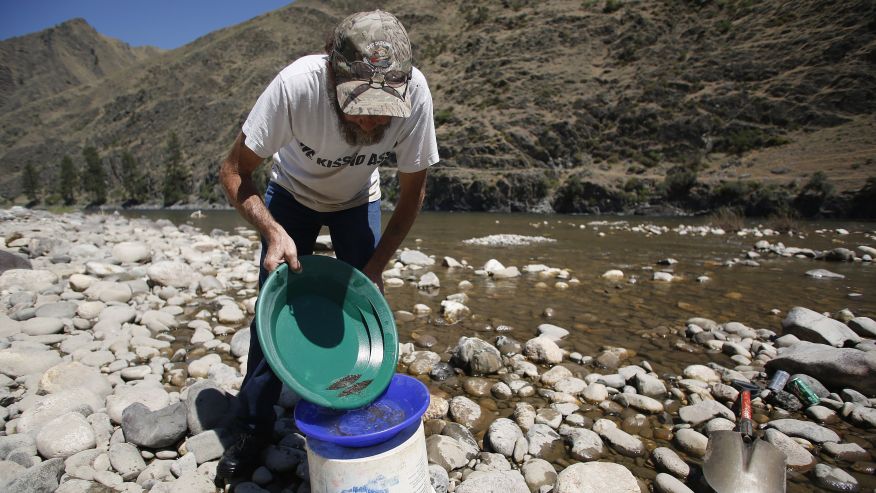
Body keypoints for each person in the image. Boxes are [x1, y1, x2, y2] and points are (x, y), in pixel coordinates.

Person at [216, 10, 438, 481]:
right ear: (331, 72)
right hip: (292, 194)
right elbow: (234, 171)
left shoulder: (415, 92)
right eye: (359, 102)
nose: (375, 116)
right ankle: (253, 425)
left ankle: (356, 409)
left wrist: (377, 265)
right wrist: (273, 231)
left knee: (366, 312)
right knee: (272, 313)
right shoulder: (296, 86)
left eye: (385, 104)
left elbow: (413, 192)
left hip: (359, 198)